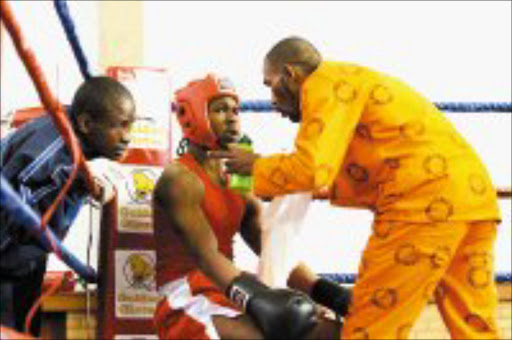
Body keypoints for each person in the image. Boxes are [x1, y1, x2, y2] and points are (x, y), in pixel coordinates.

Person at [210, 37, 502, 339]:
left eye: (269, 84)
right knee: (474, 325)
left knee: (370, 328)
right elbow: (330, 171)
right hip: (473, 198)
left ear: (291, 74)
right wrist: (275, 179)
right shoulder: (351, 83)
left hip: (424, 206)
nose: (271, 100)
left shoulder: (324, 85)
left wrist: (257, 166)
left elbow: (312, 170)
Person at [152, 74, 350, 339]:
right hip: (186, 296)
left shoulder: (237, 181)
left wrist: (329, 292)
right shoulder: (179, 179)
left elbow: (270, 246)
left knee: (336, 333)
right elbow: (207, 257)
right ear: (192, 116)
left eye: (235, 110)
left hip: (230, 290)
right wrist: (259, 298)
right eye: (220, 109)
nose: (232, 117)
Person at [0, 76, 136, 336]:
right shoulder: (54, 148)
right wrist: (79, 178)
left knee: (24, 330)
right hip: (6, 261)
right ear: (86, 123)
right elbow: (15, 213)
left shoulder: (71, 134)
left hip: (22, 261)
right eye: (121, 126)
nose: (128, 138)